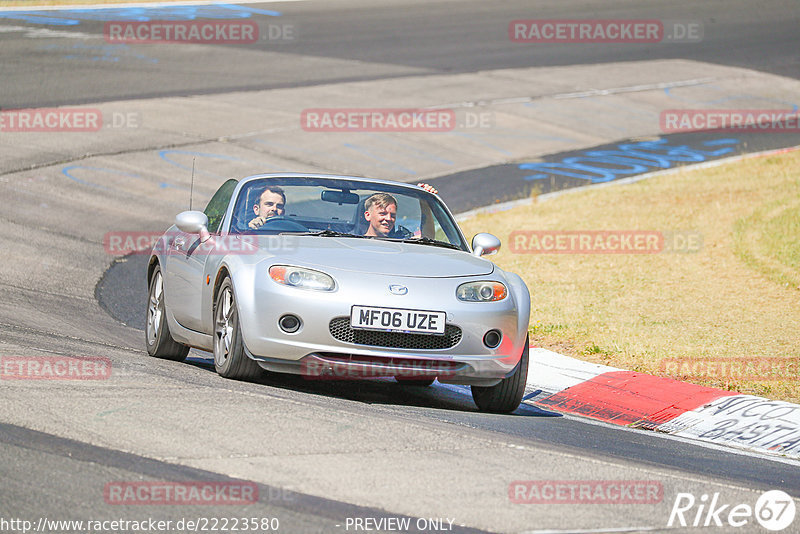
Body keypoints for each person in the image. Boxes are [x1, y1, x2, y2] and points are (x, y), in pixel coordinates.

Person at [363, 183, 438, 238]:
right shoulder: (354, 243)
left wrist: (424, 199)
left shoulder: (401, 242)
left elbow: (427, 237)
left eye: (393, 215)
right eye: (382, 214)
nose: (389, 218)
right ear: (368, 215)